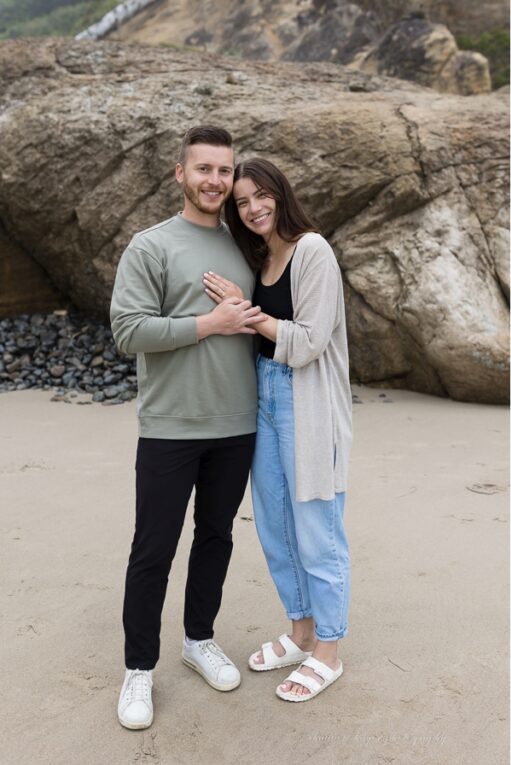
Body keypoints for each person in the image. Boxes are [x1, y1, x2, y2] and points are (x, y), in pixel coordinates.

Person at [110, 126, 265, 730]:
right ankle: (139, 669)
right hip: (171, 425)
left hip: (237, 424)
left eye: (224, 171)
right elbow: (128, 332)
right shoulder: (150, 246)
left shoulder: (244, 247)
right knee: (153, 549)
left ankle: (198, 639)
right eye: (203, 169)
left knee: (217, 536)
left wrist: (243, 317)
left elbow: (267, 318)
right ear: (181, 174)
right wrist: (210, 322)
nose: (215, 181)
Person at [203, 157, 353, 703]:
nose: (253, 207)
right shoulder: (259, 257)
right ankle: (301, 631)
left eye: (261, 195)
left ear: (280, 194)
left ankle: (329, 651)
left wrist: (244, 312)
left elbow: (310, 340)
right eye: (242, 202)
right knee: (274, 523)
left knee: (317, 525)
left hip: (305, 398)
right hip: (262, 393)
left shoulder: (314, 250)